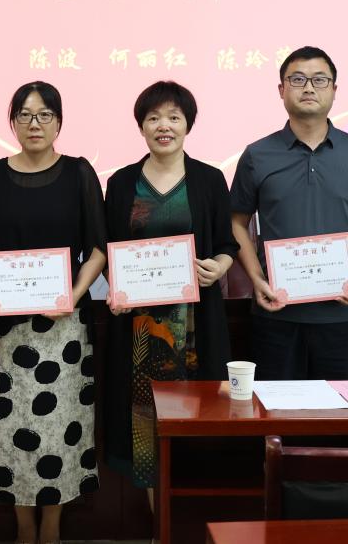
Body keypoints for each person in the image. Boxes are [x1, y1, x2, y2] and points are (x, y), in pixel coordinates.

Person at [0, 81, 106, 544]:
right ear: (12, 122)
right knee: (10, 431)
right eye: (24, 115)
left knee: (59, 431)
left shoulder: (79, 173)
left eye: (45, 114)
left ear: (59, 121)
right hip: (5, 332)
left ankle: (52, 527)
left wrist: (73, 294)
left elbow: (98, 248)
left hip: (63, 331)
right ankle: (24, 527)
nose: (34, 123)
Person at [103, 81, 239, 517]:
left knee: (197, 414)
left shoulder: (209, 179)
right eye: (154, 118)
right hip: (139, 328)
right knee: (145, 423)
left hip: (196, 324)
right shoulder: (122, 182)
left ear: (187, 125)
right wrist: (115, 285)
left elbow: (227, 244)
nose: (164, 126)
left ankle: (191, 522)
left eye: (174, 118)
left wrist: (219, 266)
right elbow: (109, 249)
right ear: (141, 126)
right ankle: (159, 525)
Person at [229, 46, 348, 381]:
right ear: (281, 89)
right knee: (275, 408)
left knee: (343, 408)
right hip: (276, 314)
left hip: (342, 315)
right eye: (298, 79)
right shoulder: (257, 154)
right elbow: (236, 223)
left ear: (334, 89)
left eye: (319, 80)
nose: (309, 88)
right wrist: (257, 279)